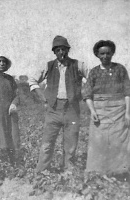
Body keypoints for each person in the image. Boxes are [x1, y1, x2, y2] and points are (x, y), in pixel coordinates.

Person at [29, 35, 88, 172]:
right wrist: (43, 97)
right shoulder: (48, 66)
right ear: (54, 52)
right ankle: (42, 171)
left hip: (72, 109)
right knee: (47, 142)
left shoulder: (78, 65)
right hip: (53, 109)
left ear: (68, 50)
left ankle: (68, 171)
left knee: (71, 142)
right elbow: (32, 80)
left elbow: (91, 79)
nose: (61, 52)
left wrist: (83, 93)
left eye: (64, 49)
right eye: (58, 50)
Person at [82, 40, 130, 178]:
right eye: (102, 53)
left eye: (108, 53)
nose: (105, 56)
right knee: (98, 142)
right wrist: (92, 111)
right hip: (99, 111)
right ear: (97, 54)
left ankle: (120, 173)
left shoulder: (120, 69)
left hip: (119, 110)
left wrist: (127, 113)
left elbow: (127, 91)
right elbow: (87, 94)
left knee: (119, 141)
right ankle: (98, 173)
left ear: (112, 53)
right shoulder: (94, 72)